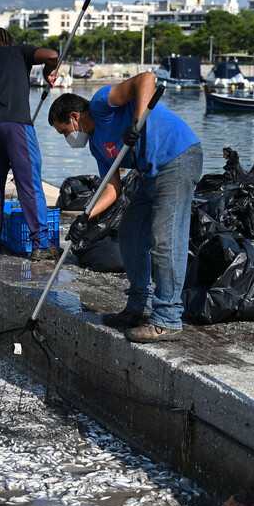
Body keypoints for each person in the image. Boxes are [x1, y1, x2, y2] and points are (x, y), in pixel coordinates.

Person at [48, 72, 202, 343]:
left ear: (74, 116)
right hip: (149, 173)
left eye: (64, 131)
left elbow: (146, 79)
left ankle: (167, 319)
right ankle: (139, 305)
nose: (66, 138)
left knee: (165, 240)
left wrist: (136, 122)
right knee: (130, 233)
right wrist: (85, 218)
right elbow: (112, 189)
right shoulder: (96, 145)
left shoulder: (100, 104)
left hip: (177, 157)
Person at [0, 28, 59, 261]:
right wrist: (48, 73)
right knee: (29, 185)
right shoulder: (20, 52)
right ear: (8, 41)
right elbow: (52, 55)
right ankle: (40, 245)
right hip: (17, 126)